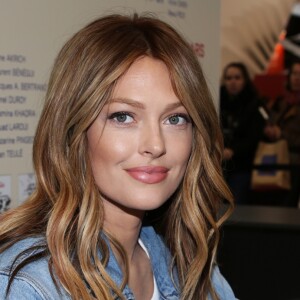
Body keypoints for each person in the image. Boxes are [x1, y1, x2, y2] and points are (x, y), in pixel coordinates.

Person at [0, 14, 235, 300]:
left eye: (175, 119)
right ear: (73, 131)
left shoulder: (189, 264)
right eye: (123, 116)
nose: (155, 145)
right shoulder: (28, 285)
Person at [220, 62, 265, 204]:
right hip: (219, 165)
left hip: (242, 166)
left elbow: (254, 137)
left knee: (237, 207)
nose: (232, 82)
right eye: (228, 78)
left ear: (245, 80)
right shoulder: (217, 100)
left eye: (237, 77)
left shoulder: (254, 103)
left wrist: (233, 151)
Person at [264, 60, 300, 207]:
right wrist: (270, 130)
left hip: (294, 165)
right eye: (295, 74)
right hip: (274, 160)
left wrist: (282, 135)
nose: (297, 78)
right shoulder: (281, 100)